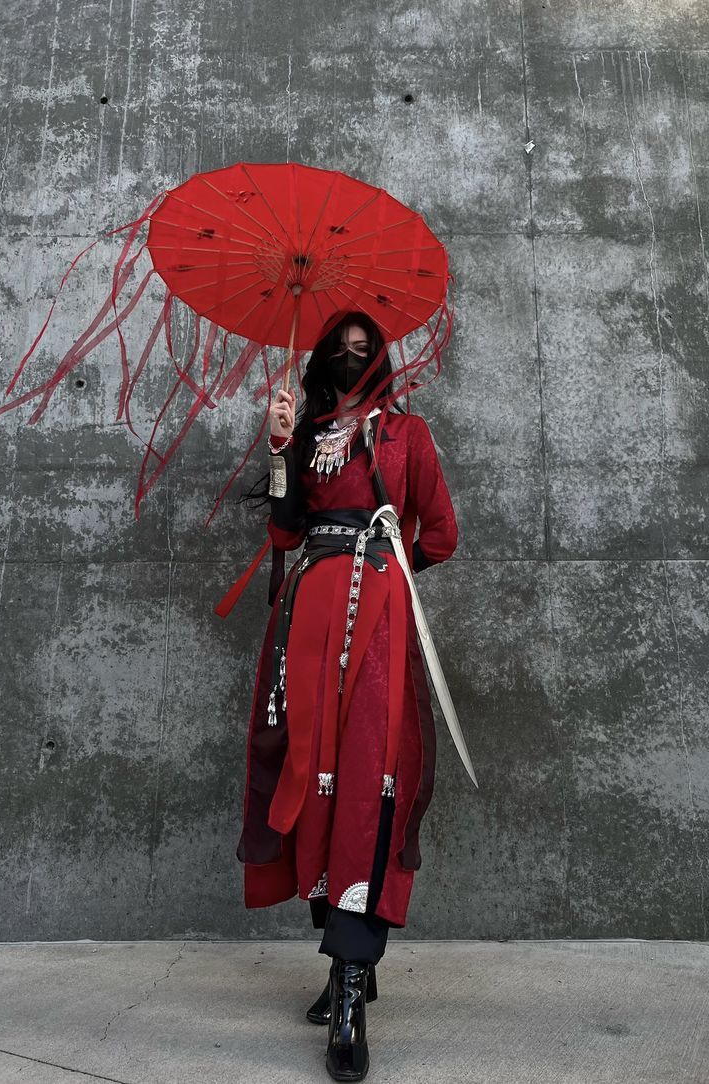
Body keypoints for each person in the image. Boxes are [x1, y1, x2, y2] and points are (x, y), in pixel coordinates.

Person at [236, 310, 459, 1081]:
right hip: (309, 618)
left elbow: (442, 535)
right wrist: (277, 444)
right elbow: (287, 533)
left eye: (364, 353)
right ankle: (340, 964)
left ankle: (354, 986)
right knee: (313, 778)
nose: (351, 360)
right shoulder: (305, 432)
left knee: (371, 779)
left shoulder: (410, 436)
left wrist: (388, 564)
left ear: (383, 359)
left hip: (380, 625)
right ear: (321, 357)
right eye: (339, 350)